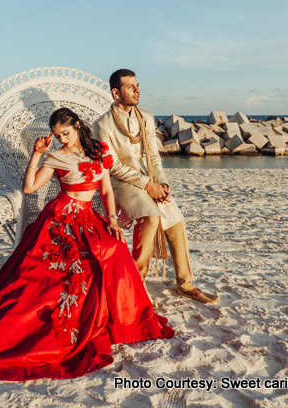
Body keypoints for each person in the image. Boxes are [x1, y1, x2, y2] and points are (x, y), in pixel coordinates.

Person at [0, 107, 174, 381]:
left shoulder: (99, 151)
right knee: (75, 268)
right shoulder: (55, 156)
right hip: (61, 218)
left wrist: (112, 220)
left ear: (78, 126)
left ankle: (125, 323)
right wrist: (37, 154)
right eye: (58, 135)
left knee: (116, 249)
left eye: (67, 133)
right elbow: (29, 188)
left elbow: (106, 189)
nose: (63, 139)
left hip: (90, 218)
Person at [93, 69, 218, 304]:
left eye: (137, 85)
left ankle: (186, 283)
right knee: (150, 218)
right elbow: (114, 166)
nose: (137, 90)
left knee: (176, 220)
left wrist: (161, 183)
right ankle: (136, 282)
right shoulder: (102, 125)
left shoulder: (147, 117)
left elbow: (153, 154)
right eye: (130, 86)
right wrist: (147, 185)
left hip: (150, 179)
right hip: (123, 184)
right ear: (116, 93)